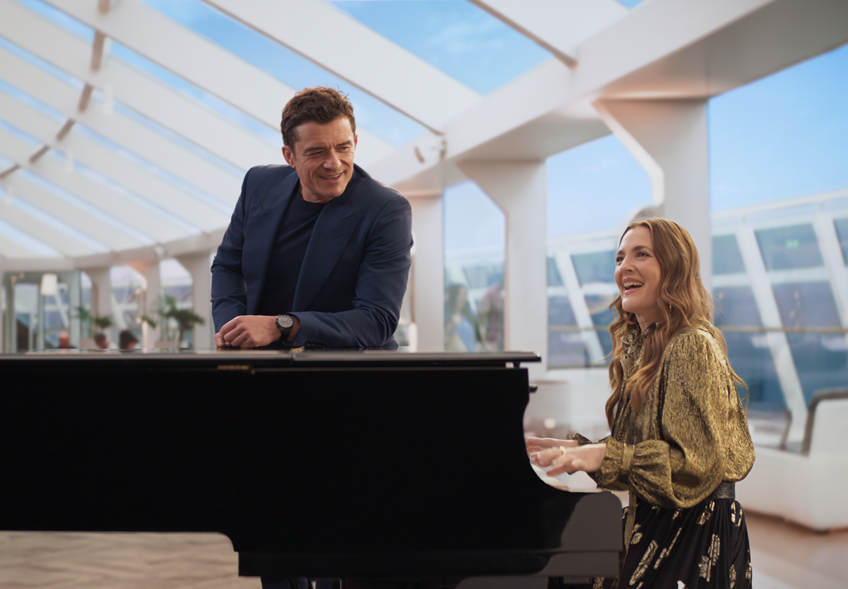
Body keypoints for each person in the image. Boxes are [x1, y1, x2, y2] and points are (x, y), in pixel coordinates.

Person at [528, 218, 755, 589]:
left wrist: (604, 455)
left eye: (642, 254)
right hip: (661, 527)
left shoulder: (691, 345)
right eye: (620, 258)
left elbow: (696, 466)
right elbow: (646, 466)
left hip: (692, 536)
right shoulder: (652, 350)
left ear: (674, 267)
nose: (624, 267)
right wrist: (583, 451)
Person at [211, 87, 413, 350]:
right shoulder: (258, 184)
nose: (334, 163)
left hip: (347, 364)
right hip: (262, 360)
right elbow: (228, 266)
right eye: (317, 152)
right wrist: (232, 329)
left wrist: (281, 326)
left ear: (355, 142)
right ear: (289, 156)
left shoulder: (386, 210)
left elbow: (377, 321)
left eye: (343, 148)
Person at [444, 283, 478, 351]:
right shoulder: (447, 316)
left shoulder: (469, 314)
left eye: (464, 294)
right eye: (459, 294)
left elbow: (477, 337)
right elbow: (445, 337)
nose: (462, 297)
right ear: (454, 295)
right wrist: (452, 325)